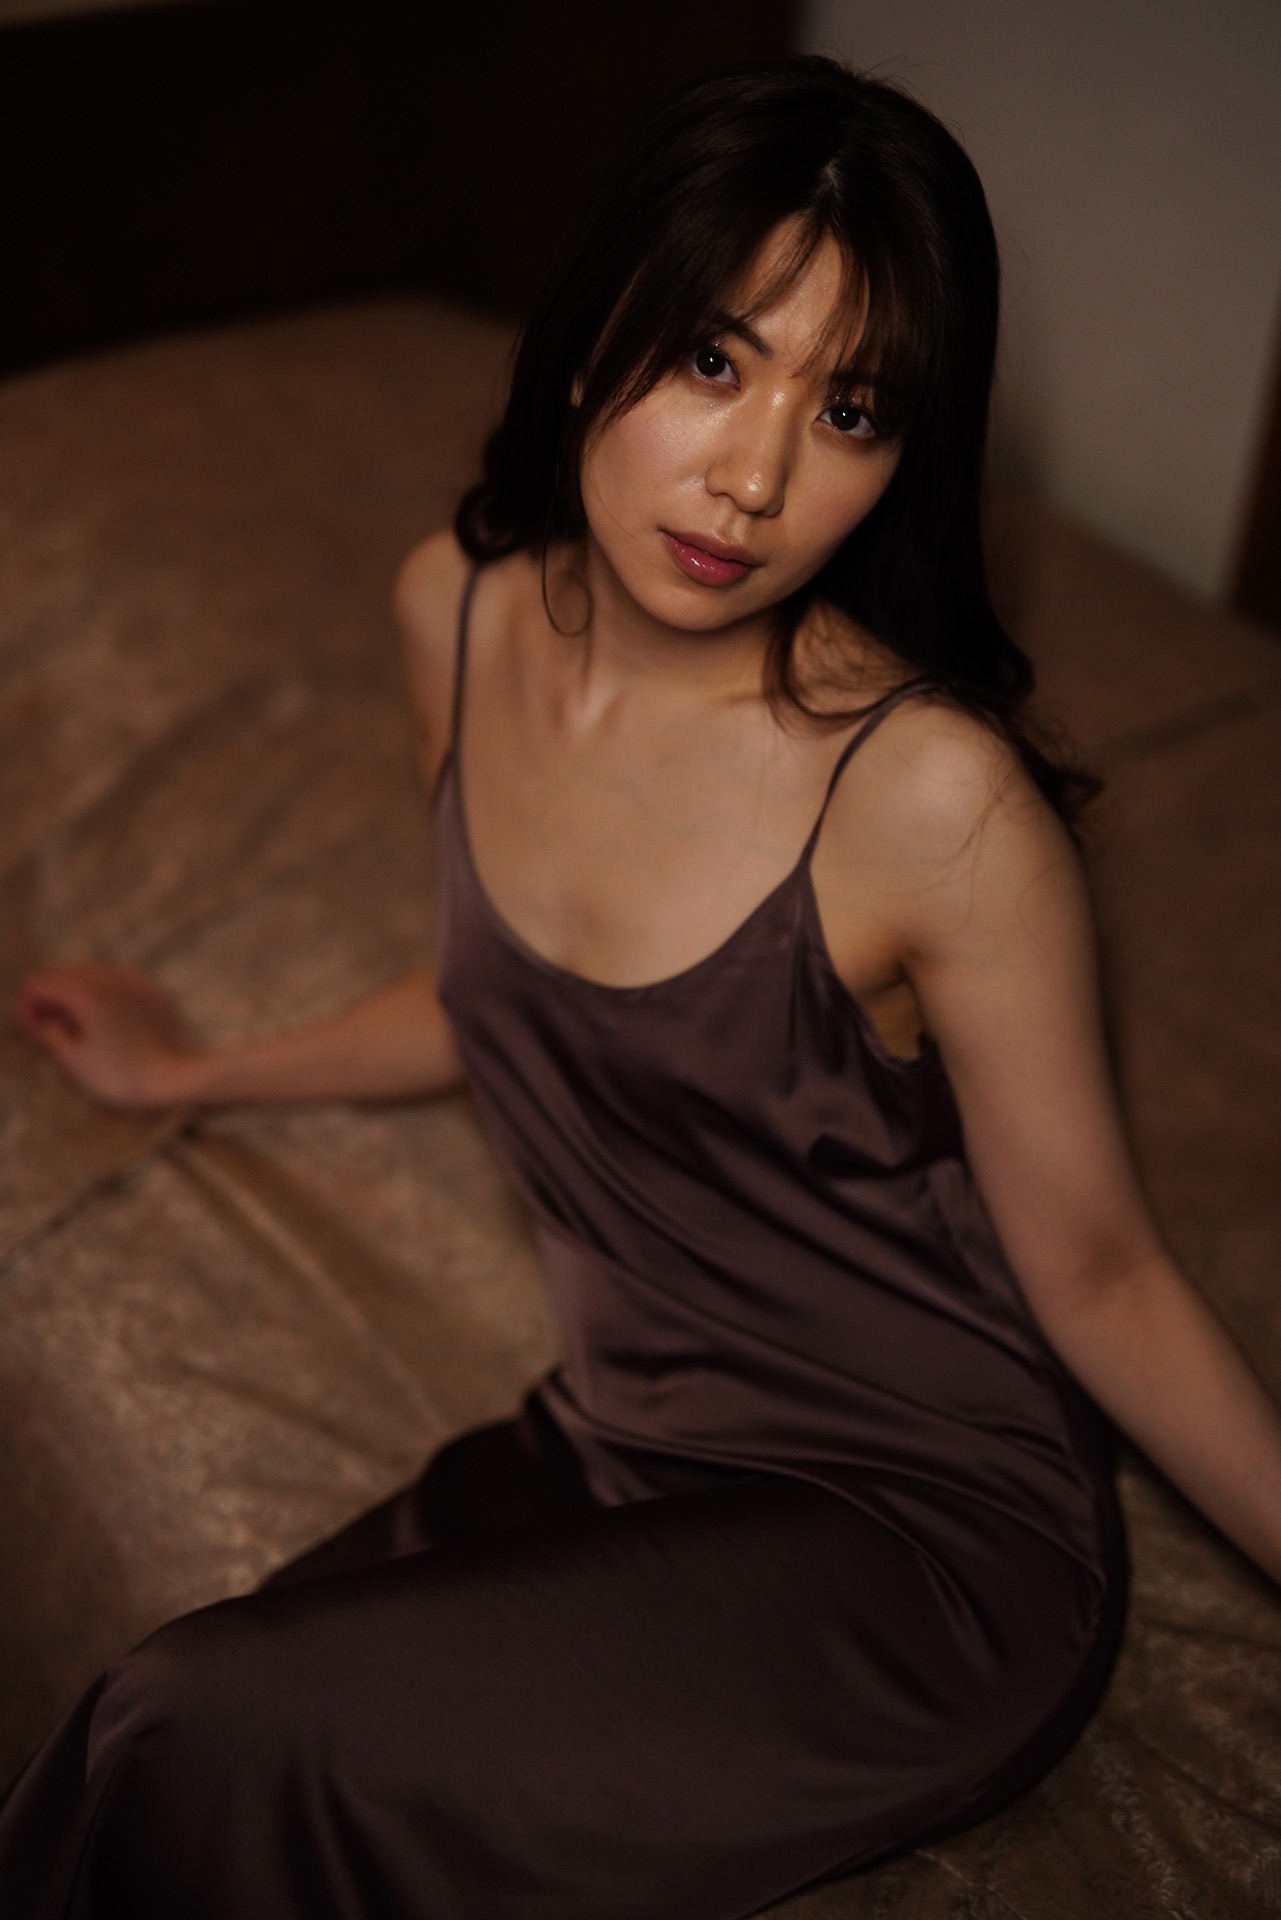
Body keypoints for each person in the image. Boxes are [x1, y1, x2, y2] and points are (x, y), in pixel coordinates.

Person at [2, 52, 1279, 1920]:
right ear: (593, 326)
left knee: (192, 1731)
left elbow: (1100, 1272)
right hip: (614, 1441)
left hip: (911, 1531)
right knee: (177, 1724)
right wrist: (193, 1066)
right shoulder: (452, 609)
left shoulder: (929, 800)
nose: (755, 480)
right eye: (710, 361)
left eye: (850, 409)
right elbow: (506, 995)